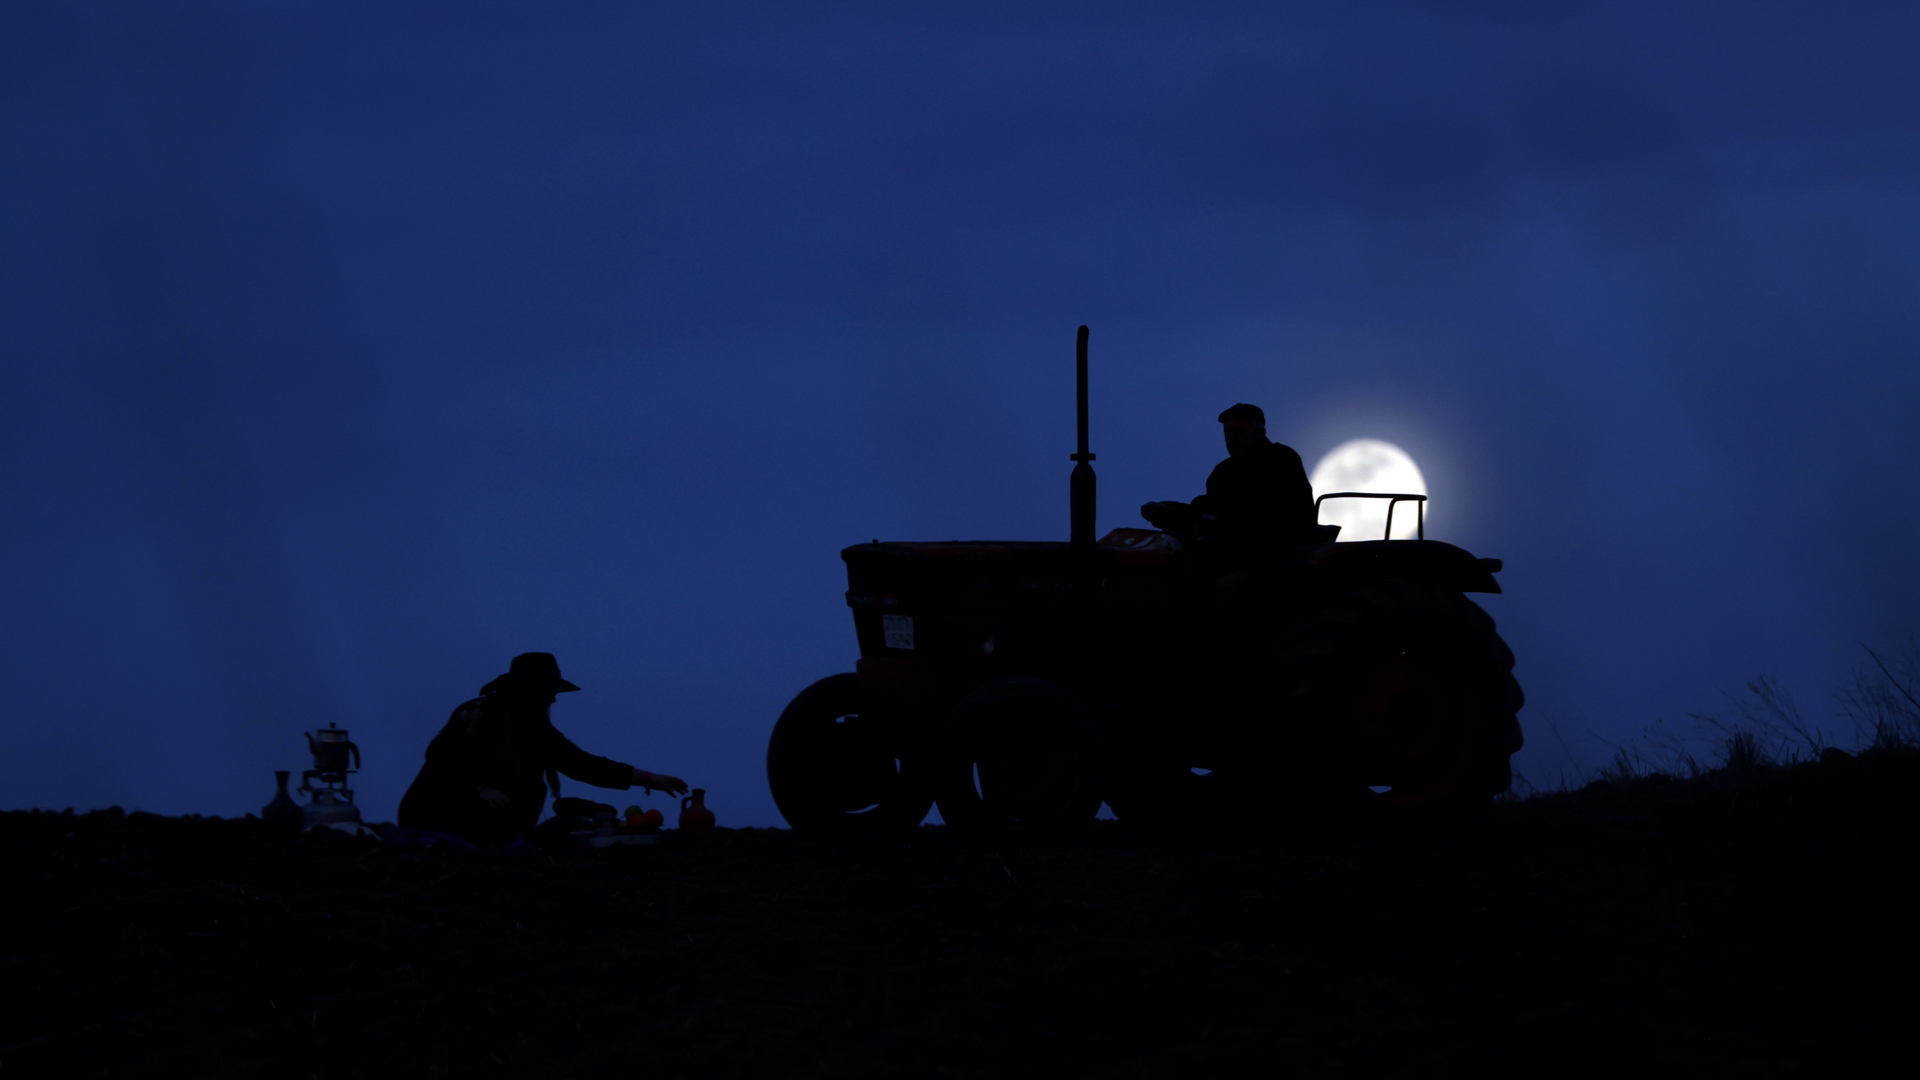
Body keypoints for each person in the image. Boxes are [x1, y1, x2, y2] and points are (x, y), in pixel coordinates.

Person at [397, 652, 688, 845]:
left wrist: (648, 778)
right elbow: (440, 759)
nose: (553, 699)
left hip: (498, 822)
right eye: (548, 691)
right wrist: (478, 787)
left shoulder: (536, 728)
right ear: (528, 690)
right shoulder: (478, 714)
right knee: (491, 813)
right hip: (437, 812)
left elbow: (580, 763)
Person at [1141, 402, 1319, 568]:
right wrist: (1167, 510)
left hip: (1280, 552)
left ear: (1261, 433)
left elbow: (1264, 511)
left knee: (1223, 582)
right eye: (1228, 433)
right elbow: (1212, 505)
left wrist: (1217, 520)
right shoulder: (1222, 472)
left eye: (1239, 431)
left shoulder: (1281, 459)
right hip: (1235, 548)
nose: (1232, 439)